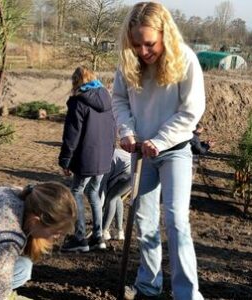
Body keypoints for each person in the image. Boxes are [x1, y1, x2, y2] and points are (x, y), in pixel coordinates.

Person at [112, 2, 205, 299]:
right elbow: (119, 100)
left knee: (177, 220)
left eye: (149, 43)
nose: (143, 51)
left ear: (166, 34)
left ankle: (187, 294)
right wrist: (127, 132)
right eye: (136, 43)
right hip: (141, 152)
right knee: (144, 220)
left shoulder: (186, 60)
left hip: (174, 150)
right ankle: (148, 286)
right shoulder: (129, 62)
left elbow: (191, 111)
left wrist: (161, 140)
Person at [58, 66, 115, 252]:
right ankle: (98, 237)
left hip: (86, 157)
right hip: (105, 157)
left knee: (75, 191)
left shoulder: (78, 102)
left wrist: (65, 160)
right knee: (93, 192)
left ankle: (80, 238)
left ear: (76, 81)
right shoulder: (107, 99)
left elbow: (71, 135)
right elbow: (113, 128)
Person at [100, 148, 131, 241]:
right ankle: (120, 232)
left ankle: (104, 231)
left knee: (111, 198)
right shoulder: (111, 151)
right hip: (134, 171)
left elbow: (103, 185)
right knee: (116, 197)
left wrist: (101, 206)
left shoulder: (104, 159)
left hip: (127, 172)